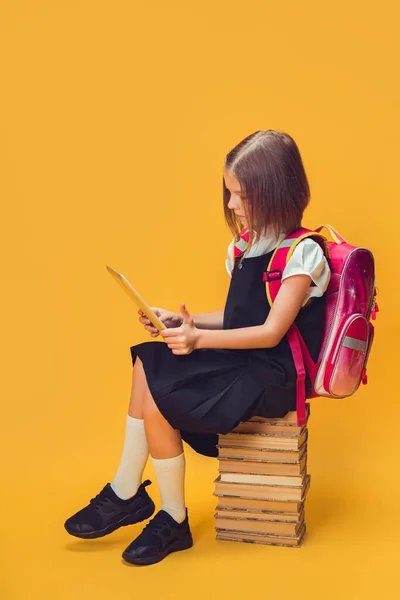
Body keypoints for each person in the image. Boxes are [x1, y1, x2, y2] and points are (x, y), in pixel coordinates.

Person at [64, 130, 331, 566]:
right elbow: (238, 316)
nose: (230, 205)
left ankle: (154, 507)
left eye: (240, 195)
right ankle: (135, 494)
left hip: (272, 374)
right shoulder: (246, 246)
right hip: (244, 358)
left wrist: (199, 340)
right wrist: (183, 322)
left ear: (274, 192)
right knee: (150, 359)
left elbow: (269, 332)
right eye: (228, 193)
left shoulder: (301, 254)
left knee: (158, 379)